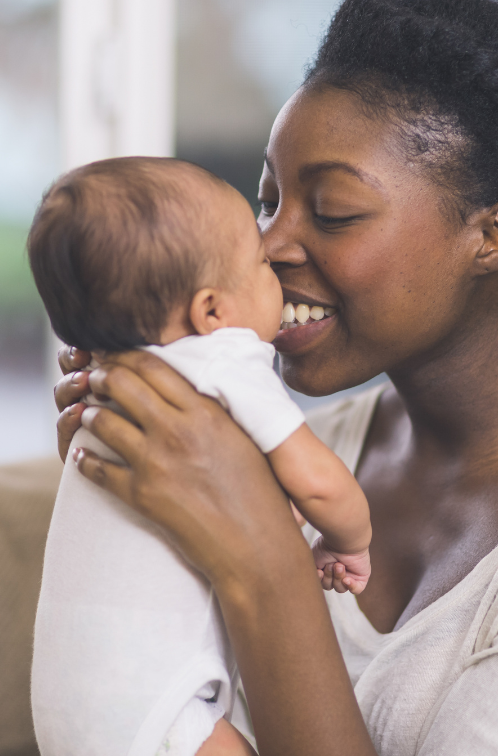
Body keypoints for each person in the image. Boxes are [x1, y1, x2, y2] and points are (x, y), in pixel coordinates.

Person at [52, 0, 498, 755]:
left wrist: (263, 561)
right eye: (267, 203)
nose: (267, 246)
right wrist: (135, 491)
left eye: (331, 212)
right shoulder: (309, 447)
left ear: (494, 236)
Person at [27, 158, 373, 756]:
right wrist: (351, 540)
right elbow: (320, 484)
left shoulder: (109, 376)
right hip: (165, 704)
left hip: (72, 707)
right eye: (261, 263)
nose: (275, 254)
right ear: (211, 312)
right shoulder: (220, 358)